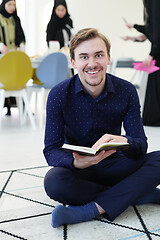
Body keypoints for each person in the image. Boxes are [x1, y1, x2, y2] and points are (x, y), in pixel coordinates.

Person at [43, 28, 160, 228]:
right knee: (54, 182)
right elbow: (51, 150)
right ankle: (138, 192)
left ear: (108, 58)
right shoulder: (58, 94)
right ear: (73, 62)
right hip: (80, 169)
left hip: (117, 164)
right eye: (83, 57)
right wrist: (75, 163)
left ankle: (90, 210)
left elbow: (141, 145)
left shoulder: (127, 91)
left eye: (98, 55)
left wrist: (127, 141)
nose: (92, 63)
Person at [122, 0, 160, 126]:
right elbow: (151, 31)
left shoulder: (154, 5)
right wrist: (133, 29)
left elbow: (156, 34)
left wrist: (151, 54)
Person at [0, 0, 25, 115]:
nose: (12, 7)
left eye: (14, 5)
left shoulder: (15, 18)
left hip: (14, 54)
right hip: (3, 55)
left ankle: (22, 107)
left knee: (18, 77)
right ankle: (7, 107)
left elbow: (20, 34)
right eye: (9, 4)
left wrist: (22, 44)